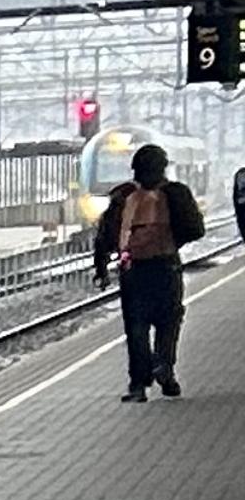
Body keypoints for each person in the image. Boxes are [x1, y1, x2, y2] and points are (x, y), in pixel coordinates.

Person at [96, 140, 196, 400]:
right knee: (169, 320)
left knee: (136, 326)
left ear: (135, 170)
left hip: (133, 271)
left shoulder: (123, 197)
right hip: (166, 266)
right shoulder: (176, 193)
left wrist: (101, 267)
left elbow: (105, 234)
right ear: (163, 168)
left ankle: (138, 386)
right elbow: (196, 228)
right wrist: (173, 240)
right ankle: (164, 367)